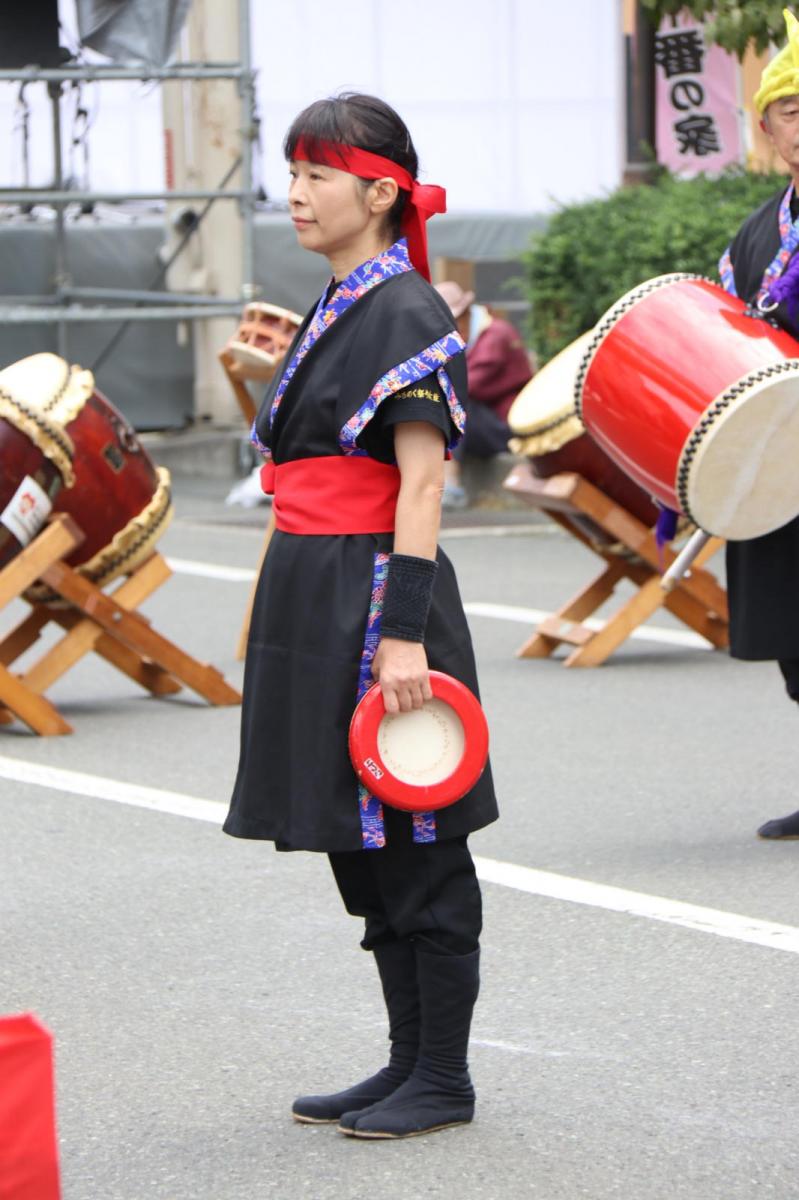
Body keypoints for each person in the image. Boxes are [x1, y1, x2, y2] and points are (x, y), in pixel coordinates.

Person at [224, 92, 498, 1138]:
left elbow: (421, 486)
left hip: (379, 590)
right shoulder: (340, 297)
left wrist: (402, 634)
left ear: (380, 192)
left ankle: (443, 1075)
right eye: (291, 173)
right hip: (314, 583)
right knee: (359, 832)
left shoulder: (406, 310)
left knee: (415, 829)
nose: (294, 194)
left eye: (318, 175)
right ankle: (402, 1062)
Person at [719, 7, 799, 840]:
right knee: (793, 642)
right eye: (790, 110)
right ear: (769, 128)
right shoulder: (756, 234)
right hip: (781, 467)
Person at [434, 281, 533, 509]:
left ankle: (452, 482)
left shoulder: (496, 335)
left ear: (466, 314)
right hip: (481, 425)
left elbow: (464, 386)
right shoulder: (464, 339)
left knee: (453, 402)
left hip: (507, 428)